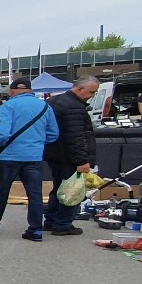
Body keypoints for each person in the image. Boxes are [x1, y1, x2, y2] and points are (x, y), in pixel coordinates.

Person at [0, 77, 59, 241]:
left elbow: (3, 134)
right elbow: (53, 134)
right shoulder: (45, 107)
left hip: (10, 156)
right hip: (34, 156)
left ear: (12, 92)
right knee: (35, 194)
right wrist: (37, 143)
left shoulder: (9, 105)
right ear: (30, 91)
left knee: (2, 191)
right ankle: (35, 230)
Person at [43, 76, 100, 236]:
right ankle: (62, 224)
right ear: (80, 89)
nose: (92, 96)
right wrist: (82, 160)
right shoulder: (74, 107)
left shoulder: (54, 101)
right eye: (91, 92)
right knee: (72, 191)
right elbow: (75, 137)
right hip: (68, 157)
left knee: (58, 188)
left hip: (53, 153)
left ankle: (51, 220)